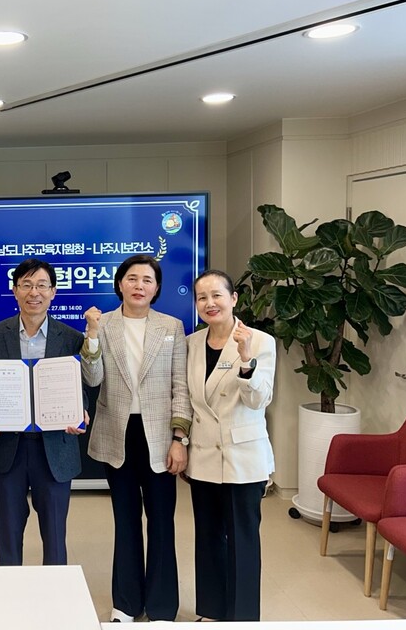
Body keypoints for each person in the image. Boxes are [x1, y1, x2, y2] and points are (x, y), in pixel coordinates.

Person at [82, 254, 191, 623]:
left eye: (147, 280)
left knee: (162, 521)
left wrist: (180, 438)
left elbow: (180, 386)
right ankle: (126, 604)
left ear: (156, 288)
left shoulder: (172, 326)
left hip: (160, 436)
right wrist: (91, 336)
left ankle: (161, 606)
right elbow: (93, 379)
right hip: (119, 434)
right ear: (120, 284)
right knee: (125, 520)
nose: (139, 286)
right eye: (132, 278)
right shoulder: (103, 324)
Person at [0, 258, 91, 566]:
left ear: (53, 292)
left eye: (42, 285)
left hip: (55, 448)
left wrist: (80, 410)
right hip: (8, 448)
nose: (34, 292)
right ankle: (9, 592)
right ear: (15, 290)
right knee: (7, 536)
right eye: (26, 285)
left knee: (55, 538)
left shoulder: (71, 338)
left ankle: (55, 593)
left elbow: (79, 386)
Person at [185, 270, 275, 622]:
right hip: (204, 455)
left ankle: (242, 618)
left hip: (243, 457)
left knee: (243, 540)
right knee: (208, 537)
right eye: (202, 297)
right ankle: (211, 612)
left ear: (233, 299)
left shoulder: (259, 341)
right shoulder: (191, 344)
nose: (210, 303)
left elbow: (259, 400)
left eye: (217, 295)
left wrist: (246, 360)